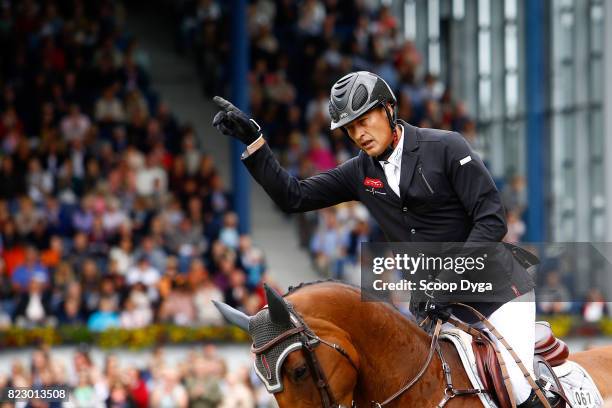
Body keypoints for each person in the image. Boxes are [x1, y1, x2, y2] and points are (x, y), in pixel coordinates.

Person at [212, 71, 547, 407]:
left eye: (365, 120)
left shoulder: (446, 146)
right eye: (350, 128)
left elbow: (491, 220)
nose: (359, 134)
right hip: (436, 312)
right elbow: (294, 197)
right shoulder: (360, 172)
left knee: (516, 390)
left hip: (498, 298)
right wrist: (255, 143)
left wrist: (447, 281)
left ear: (389, 109)